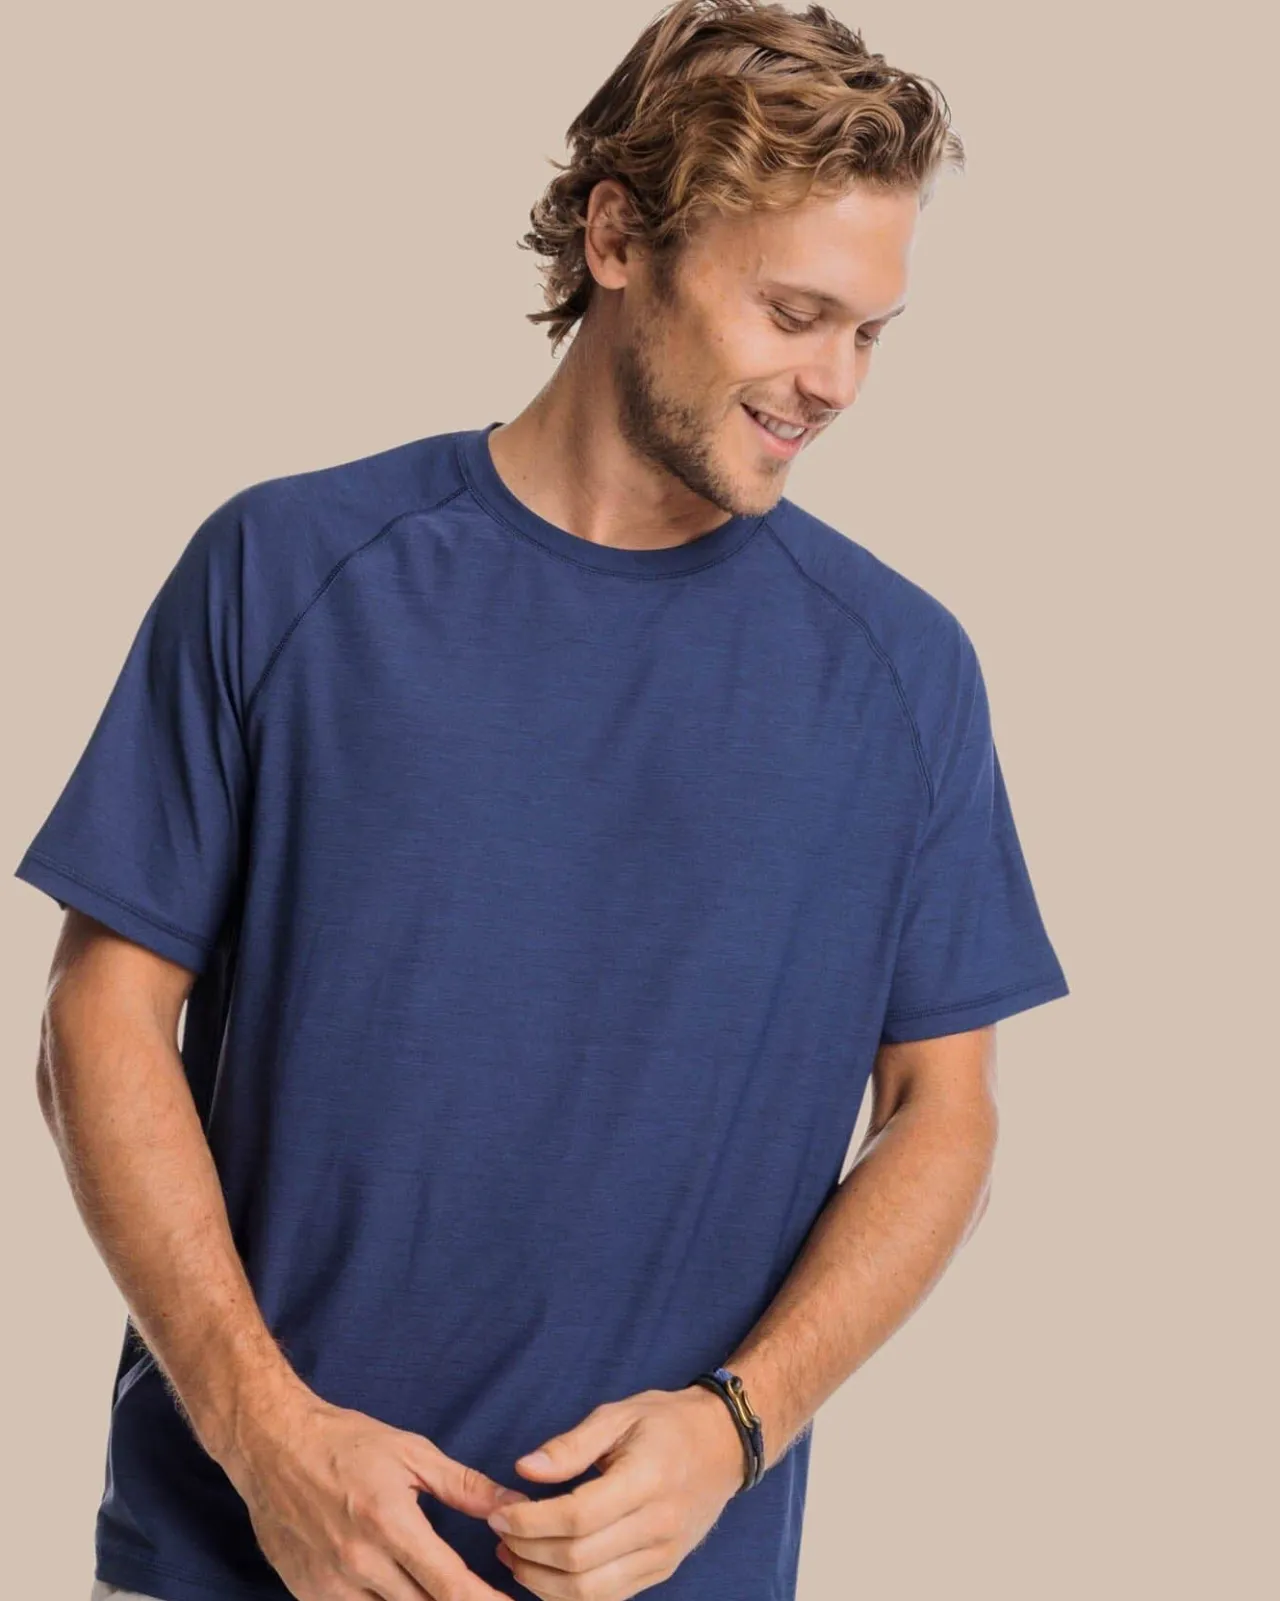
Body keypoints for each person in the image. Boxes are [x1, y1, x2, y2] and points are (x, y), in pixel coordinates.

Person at [16, 3, 1070, 1599]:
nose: (835, 381)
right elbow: (98, 1020)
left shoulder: (901, 674)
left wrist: (738, 1425)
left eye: (871, 331)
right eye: (795, 312)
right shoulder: (288, 573)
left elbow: (945, 1111)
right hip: (241, 1559)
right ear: (619, 237)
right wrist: (260, 1434)